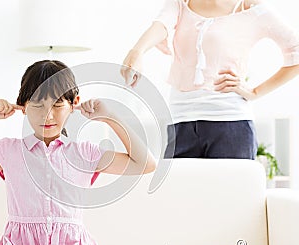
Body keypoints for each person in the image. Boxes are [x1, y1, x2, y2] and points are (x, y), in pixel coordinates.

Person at [0, 60, 156, 245]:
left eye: (58, 104)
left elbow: (145, 164)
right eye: (38, 105)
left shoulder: (84, 154)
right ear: (23, 106)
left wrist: (110, 117)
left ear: (74, 104)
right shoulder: (9, 152)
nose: (47, 116)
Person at [120, 0, 299, 159]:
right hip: (181, 123)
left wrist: (254, 92)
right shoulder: (180, 4)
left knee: (232, 196)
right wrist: (138, 51)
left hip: (230, 125)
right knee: (178, 195)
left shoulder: (250, 7)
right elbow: (161, 25)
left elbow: (295, 51)